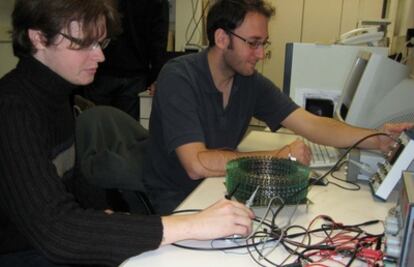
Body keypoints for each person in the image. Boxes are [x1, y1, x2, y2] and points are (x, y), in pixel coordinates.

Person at [0, 1, 254, 266]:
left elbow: (76, 185)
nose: (100, 56)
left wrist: (111, 218)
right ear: (38, 38)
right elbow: (57, 231)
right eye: (85, 43)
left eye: (101, 43)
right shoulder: (12, 109)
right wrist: (191, 225)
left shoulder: (56, 96)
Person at [145, 0, 413, 214]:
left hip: (218, 188)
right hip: (177, 200)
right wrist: (277, 157)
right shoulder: (179, 77)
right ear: (222, 38)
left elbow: (310, 124)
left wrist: (375, 139)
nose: (261, 54)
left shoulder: (248, 82)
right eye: (253, 43)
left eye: (264, 44)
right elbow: (197, 164)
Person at [84, 0, 169, 119]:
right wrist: (156, 76)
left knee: (94, 127)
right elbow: (159, 38)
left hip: (102, 69)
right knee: (126, 131)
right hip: (134, 72)